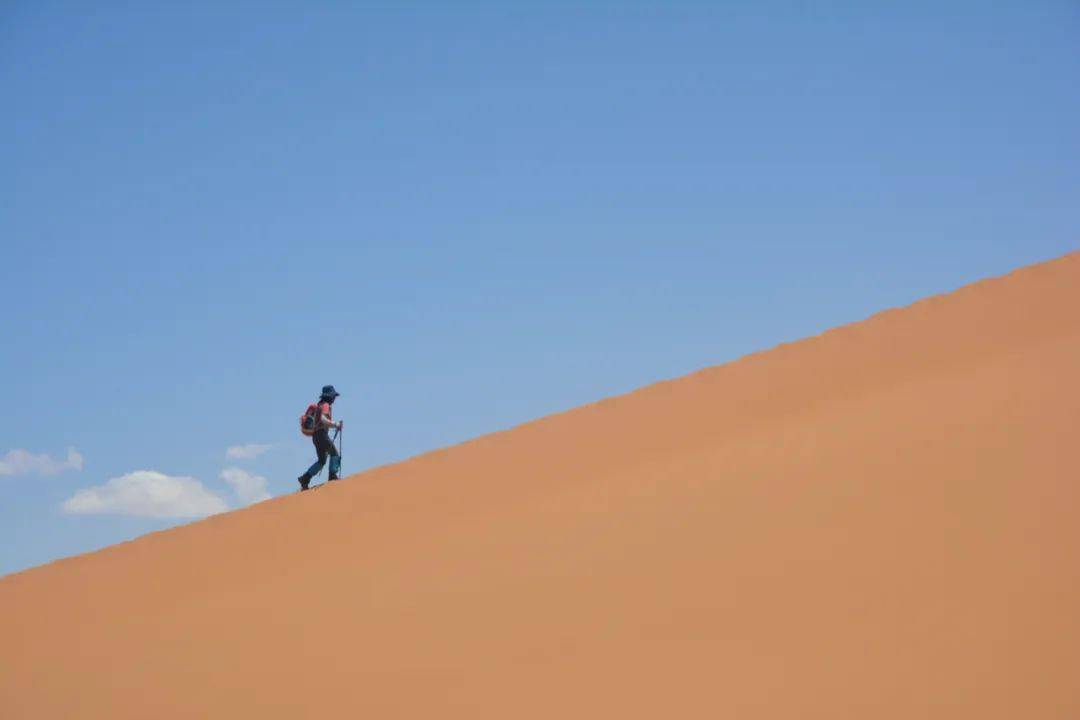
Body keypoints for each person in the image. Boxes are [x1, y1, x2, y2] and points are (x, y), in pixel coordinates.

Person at [298, 385, 343, 490]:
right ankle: (332, 476)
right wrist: (336, 424)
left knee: (322, 461)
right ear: (330, 396)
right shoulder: (326, 405)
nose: (334, 398)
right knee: (334, 454)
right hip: (322, 435)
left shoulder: (319, 405)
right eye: (333, 396)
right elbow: (323, 419)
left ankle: (305, 478)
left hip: (316, 436)